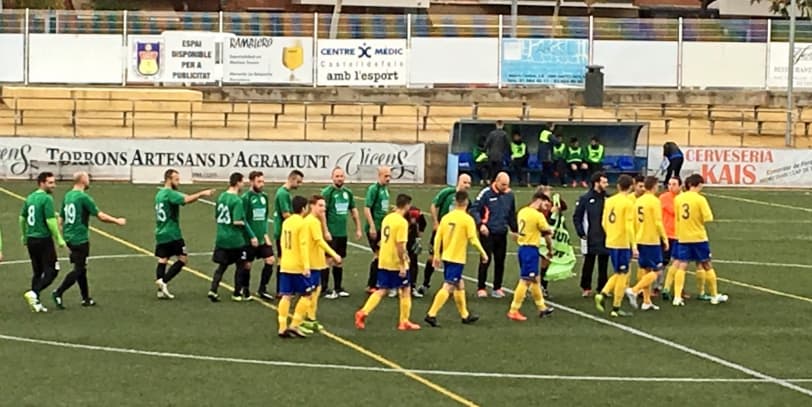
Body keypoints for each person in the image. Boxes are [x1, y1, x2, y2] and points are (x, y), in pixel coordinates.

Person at [52, 172, 126, 309]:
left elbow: (60, 219)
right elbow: (100, 216)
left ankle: (86, 298)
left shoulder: (68, 196)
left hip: (69, 237)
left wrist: (60, 236)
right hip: (80, 238)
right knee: (79, 269)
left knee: (81, 267)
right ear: (83, 180)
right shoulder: (83, 198)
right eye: (88, 178)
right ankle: (59, 292)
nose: (89, 180)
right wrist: (117, 221)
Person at [355, 194, 420, 331]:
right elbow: (400, 245)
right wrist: (402, 264)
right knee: (405, 289)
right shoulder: (402, 222)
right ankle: (404, 321)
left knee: (382, 290)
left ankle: (363, 312)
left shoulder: (388, 218)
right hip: (395, 261)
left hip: (384, 260)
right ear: (407, 206)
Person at [425, 191, 487, 327]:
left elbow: (437, 237)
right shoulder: (467, 219)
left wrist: (436, 254)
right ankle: (431, 314)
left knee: (460, 284)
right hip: (456, 258)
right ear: (466, 202)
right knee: (448, 286)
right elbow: (473, 239)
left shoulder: (446, 217)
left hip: (447, 255)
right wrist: (483, 253)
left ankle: (465, 315)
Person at [154, 169, 214, 300]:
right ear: (169, 179)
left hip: (160, 232)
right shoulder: (170, 193)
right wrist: (202, 193)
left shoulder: (159, 194)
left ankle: (160, 290)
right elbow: (186, 200)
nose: (178, 182)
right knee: (182, 259)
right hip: (172, 233)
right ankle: (163, 281)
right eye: (176, 179)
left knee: (163, 259)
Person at [672, 174, 727, 306]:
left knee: (682, 265)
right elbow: (708, 218)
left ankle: (677, 297)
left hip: (683, 236)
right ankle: (714, 295)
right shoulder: (700, 199)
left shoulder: (678, 199)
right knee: (706, 264)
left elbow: (678, 217)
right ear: (698, 185)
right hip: (698, 237)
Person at [20, 172, 66, 313]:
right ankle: (34, 293)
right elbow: (50, 221)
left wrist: (24, 235)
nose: (54, 185)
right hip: (43, 239)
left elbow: (22, 218)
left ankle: (36, 302)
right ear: (42, 183)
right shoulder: (46, 199)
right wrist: (59, 238)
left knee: (38, 271)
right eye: (50, 183)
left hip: (32, 239)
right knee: (53, 270)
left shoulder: (30, 198)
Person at [420, 173, 472, 295]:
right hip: (442, 232)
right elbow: (433, 205)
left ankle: (449, 284)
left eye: (469, 183)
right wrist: (435, 222)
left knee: (451, 259)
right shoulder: (448, 192)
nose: (467, 185)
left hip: (454, 236)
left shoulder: (467, 200)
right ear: (458, 181)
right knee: (432, 258)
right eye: (465, 182)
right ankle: (425, 284)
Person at [209, 173, 257, 303]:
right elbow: (237, 221)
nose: (243, 185)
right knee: (240, 265)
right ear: (237, 183)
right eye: (242, 182)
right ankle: (237, 293)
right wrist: (245, 225)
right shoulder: (237, 200)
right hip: (234, 239)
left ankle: (213, 290)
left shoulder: (222, 196)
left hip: (221, 237)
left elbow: (217, 216)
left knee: (222, 266)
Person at [507, 191, 555, 321]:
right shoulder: (537, 216)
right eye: (545, 203)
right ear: (539, 200)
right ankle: (513, 310)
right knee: (526, 280)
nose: (545, 206)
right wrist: (550, 250)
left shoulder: (522, 211)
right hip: (531, 250)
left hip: (523, 248)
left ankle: (542, 308)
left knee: (535, 280)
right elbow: (548, 233)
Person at [593, 175, 637, 317]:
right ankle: (615, 307)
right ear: (631, 186)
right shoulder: (628, 203)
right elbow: (629, 225)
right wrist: (634, 245)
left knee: (619, 272)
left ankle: (604, 294)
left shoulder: (609, 200)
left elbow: (604, 222)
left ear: (618, 186)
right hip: (622, 243)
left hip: (611, 241)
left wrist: (610, 234)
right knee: (623, 274)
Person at [469, 172, 518, 298]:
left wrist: (515, 230)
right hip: (488, 232)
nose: (505, 187)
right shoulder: (485, 193)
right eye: (503, 185)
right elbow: (474, 209)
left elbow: (511, 214)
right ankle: (481, 287)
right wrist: (480, 225)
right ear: (496, 181)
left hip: (502, 232)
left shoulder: (509, 195)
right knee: (485, 259)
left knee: (500, 261)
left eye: (507, 185)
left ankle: (497, 287)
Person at [625, 176, 667, 311]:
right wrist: (664, 239)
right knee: (657, 270)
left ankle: (646, 301)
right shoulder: (654, 201)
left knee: (646, 270)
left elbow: (634, 222)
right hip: (651, 240)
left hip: (640, 238)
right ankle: (635, 290)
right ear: (654, 186)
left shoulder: (638, 201)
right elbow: (658, 222)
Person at [302, 195, 343, 332]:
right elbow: (319, 241)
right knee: (310, 292)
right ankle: (304, 319)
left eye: (324, 206)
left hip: (313, 261)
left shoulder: (310, 221)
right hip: (311, 263)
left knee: (316, 290)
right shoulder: (313, 222)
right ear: (312, 206)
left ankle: (310, 318)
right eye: (320, 205)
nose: (323, 209)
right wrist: (334, 254)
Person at [260, 169, 303, 300]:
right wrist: (300, 221)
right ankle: (282, 289)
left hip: (283, 231)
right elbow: (286, 214)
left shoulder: (284, 193)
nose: (299, 185)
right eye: (299, 182)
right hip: (283, 232)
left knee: (283, 259)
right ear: (292, 179)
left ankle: (284, 288)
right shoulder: (283, 194)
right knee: (283, 260)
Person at [320, 167, 362, 299]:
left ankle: (338, 288)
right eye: (337, 176)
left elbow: (354, 211)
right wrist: (325, 230)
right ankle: (324, 288)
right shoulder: (327, 192)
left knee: (339, 260)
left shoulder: (348, 193)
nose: (339, 178)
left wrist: (358, 228)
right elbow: (322, 213)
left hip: (342, 233)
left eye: (341, 176)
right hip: (331, 233)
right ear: (332, 177)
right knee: (328, 260)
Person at [277, 196, 314, 338]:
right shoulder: (303, 224)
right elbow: (304, 245)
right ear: (304, 208)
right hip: (298, 265)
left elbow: (281, 242)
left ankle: (282, 327)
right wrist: (306, 266)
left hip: (286, 264)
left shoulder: (287, 222)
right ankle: (295, 325)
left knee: (286, 296)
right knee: (307, 295)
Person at [240, 171, 275, 301]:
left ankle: (262, 289)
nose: (262, 184)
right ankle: (246, 288)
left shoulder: (264, 197)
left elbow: (265, 217)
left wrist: (265, 234)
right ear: (252, 182)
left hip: (261, 237)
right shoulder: (246, 198)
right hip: (249, 238)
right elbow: (243, 219)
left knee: (270, 260)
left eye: (263, 181)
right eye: (259, 181)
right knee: (247, 264)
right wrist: (251, 236)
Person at [573, 172, 609, 297]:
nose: (606, 185)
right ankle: (586, 287)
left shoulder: (608, 198)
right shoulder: (585, 199)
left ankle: (603, 288)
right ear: (596, 183)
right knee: (588, 263)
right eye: (604, 182)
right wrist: (581, 232)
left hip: (605, 236)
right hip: (589, 236)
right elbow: (577, 217)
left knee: (604, 264)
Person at [364, 166, 391, 293]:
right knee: (378, 254)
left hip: (383, 228)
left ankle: (378, 282)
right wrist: (372, 226)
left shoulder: (386, 190)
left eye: (389, 176)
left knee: (383, 255)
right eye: (386, 176)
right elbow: (367, 208)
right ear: (379, 176)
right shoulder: (373, 189)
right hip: (375, 228)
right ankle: (371, 285)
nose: (388, 178)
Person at [405, 206, 428, 298]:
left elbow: (423, 223)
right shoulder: (401, 216)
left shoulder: (418, 214)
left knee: (413, 263)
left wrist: (419, 237)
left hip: (412, 240)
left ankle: (412, 286)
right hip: (401, 240)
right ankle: (395, 286)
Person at [537, 123, 557, 187]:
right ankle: (545, 183)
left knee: (544, 169)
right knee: (547, 169)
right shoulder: (549, 134)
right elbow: (555, 141)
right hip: (546, 154)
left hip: (542, 153)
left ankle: (542, 183)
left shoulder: (543, 132)